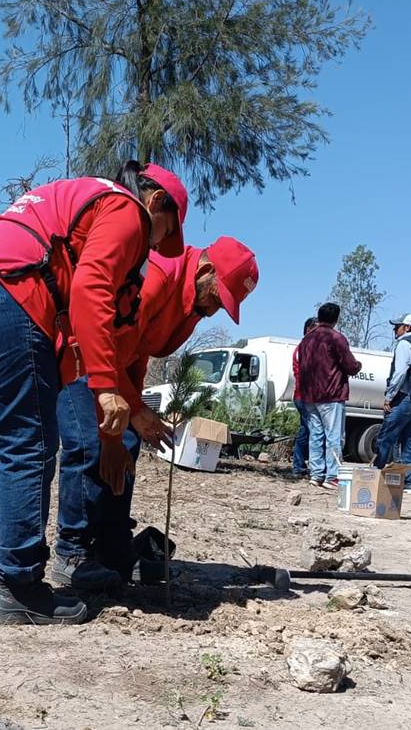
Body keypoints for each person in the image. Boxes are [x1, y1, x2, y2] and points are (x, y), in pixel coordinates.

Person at [0, 160, 188, 625]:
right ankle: (20, 586)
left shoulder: (75, 200)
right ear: (156, 202)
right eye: (159, 234)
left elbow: (78, 341)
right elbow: (93, 287)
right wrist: (109, 389)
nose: (150, 247)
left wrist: (121, 412)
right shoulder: (127, 208)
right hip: (5, 293)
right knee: (30, 446)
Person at [54, 237, 258, 589]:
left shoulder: (190, 302)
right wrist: (129, 410)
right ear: (206, 270)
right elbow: (108, 339)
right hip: (83, 352)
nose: (214, 309)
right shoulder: (160, 276)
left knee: (128, 441)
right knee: (88, 444)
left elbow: (136, 350)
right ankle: (72, 553)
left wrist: (134, 412)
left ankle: (112, 547)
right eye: (216, 297)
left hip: (115, 363)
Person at [297, 302, 362, 489]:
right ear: (336, 319)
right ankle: (332, 476)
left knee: (315, 435)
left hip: (311, 395)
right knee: (333, 436)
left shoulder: (306, 340)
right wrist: (358, 366)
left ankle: (316, 474)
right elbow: (349, 365)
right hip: (331, 394)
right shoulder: (336, 338)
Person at [373, 313, 411, 494]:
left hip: (405, 397)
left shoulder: (405, 343)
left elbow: (400, 372)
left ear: (407, 328)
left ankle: (376, 473)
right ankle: (409, 484)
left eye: (397, 326)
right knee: (409, 440)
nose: (394, 330)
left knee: (385, 435)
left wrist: (389, 396)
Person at [290, 317, 317, 479]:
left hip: (306, 396)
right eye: (315, 328)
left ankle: (300, 465)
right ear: (307, 329)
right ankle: (301, 466)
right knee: (311, 430)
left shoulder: (309, 348)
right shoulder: (303, 349)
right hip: (304, 396)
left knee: (306, 430)